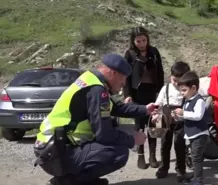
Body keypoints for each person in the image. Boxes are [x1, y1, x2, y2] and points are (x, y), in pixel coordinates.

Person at [33, 53, 159, 185]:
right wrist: (132, 139)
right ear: (112, 73)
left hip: (51, 148)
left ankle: (83, 179)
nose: (124, 83)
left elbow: (117, 108)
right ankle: (65, 182)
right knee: (119, 153)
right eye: (124, 78)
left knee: (114, 146)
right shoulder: (97, 90)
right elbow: (104, 134)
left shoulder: (91, 80)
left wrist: (145, 109)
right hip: (57, 153)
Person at [123, 26, 164, 169]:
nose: (141, 43)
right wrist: (127, 95)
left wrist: (161, 92)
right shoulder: (130, 54)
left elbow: (160, 72)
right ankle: (141, 156)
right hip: (137, 93)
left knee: (152, 125)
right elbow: (126, 76)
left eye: (144, 40)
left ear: (148, 39)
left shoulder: (154, 52)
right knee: (139, 126)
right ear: (133, 41)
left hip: (152, 92)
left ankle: (152, 156)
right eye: (138, 41)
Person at [152, 61, 193, 184]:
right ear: (171, 77)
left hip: (180, 123)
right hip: (165, 121)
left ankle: (181, 170)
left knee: (179, 145)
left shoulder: (188, 90)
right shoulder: (166, 88)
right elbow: (158, 104)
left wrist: (184, 111)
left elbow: (192, 105)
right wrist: (155, 113)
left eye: (179, 81)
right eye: (174, 80)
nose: (176, 83)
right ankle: (164, 167)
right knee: (165, 145)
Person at [173, 71, 210, 185]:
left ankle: (198, 181)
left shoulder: (199, 101)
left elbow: (198, 116)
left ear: (193, 88)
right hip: (193, 134)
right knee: (195, 157)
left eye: (184, 90)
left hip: (200, 134)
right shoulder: (187, 102)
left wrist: (183, 112)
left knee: (196, 158)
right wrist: (178, 117)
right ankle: (196, 177)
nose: (182, 93)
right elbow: (188, 118)